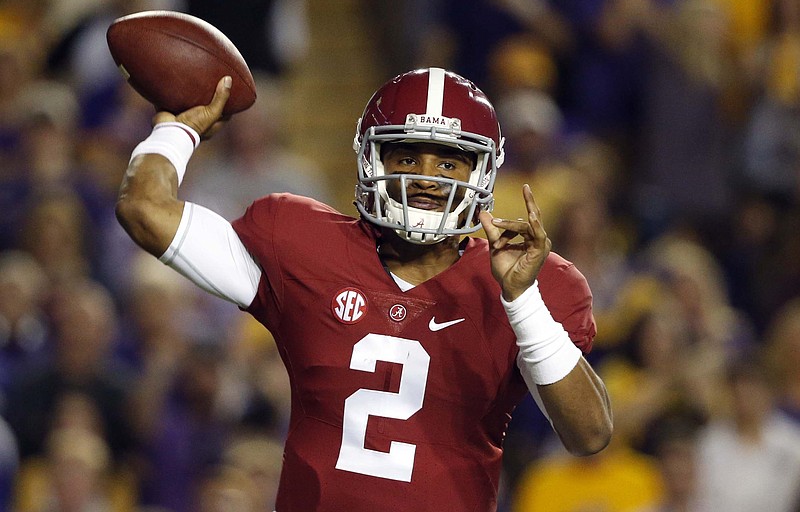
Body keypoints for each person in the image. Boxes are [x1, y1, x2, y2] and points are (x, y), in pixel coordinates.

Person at [115, 67, 613, 510]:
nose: (425, 179)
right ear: (371, 159)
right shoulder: (304, 246)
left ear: (481, 172)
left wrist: (522, 299)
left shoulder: (528, 284)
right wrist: (178, 127)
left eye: (447, 163)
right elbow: (145, 210)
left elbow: (590, 434)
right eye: (406, 157)